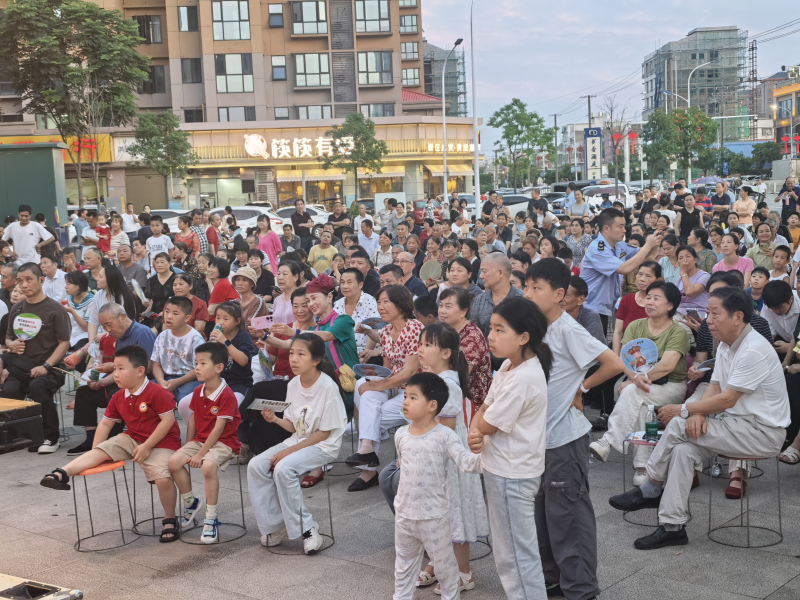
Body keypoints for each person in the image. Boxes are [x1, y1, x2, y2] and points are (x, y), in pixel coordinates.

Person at [610, 287, 789, 549]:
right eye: (707, 312)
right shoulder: (729, 344)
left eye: (714, 313)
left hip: (762, 432)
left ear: (738, 317)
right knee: (683, 449)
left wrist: (686, 411)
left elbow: (728, 399)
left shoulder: (753, 349)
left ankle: (650, 487)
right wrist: (700, 412)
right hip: (734, 424)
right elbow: (714, 387)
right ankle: (672, 526)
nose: (708, 320)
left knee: (679, 423)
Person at [524, 259, 623, 600]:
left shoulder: (568, 328)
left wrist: (580, 390)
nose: (529, 293)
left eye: (537, 288)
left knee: (568, 514)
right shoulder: (536, 328)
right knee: (543, 514)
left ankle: (581, 589)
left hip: (564, 438)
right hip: (539, 438)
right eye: (527, 286)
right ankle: (553, 580)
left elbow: (613, 363)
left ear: (560, 294)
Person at [42, 345, 183, 541]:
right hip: (133, 437)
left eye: (120, 369)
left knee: (162, 478)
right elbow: (106, 424)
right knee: (102, 449)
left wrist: (147, 447)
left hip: (162, 442)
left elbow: (167, 422)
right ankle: (60, 474)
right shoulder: (118, 396)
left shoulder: (156, 392)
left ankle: (170, 519)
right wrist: (97, 451)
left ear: (140, 371)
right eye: (114, 369)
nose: (115, 374)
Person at [467, 297, 552, 600]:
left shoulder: (524, 377)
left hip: (511, 474)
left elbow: (485, 423)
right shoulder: (508, 366)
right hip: (505, 469)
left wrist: (477, 431)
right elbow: (483, 411)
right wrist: (476, 430)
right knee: (513, 553)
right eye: (491, 328)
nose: (491, 335)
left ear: (523, 337)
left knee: (515, 557)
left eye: (500, 330)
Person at [248, 334, 347, 554]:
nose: (293, 359)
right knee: (256, 465)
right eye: (291, 353)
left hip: (323, 445)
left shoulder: (327, 387)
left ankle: (307, 528)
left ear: (316, 360)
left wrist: (289, 451)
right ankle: (276, 526)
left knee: (284, 468)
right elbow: (295, 427)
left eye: (301, 354)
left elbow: (324, 433)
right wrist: (275, 419)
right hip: (298, 441)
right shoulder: (293, 383)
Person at [386, 372, 482, 600]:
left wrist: (489, 455)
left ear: (432, 405)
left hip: (434, 518)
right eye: (405, 396)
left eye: (413, 397)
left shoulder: (444, 435)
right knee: (403, 568)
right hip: (404, 516)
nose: (405, 401)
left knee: (446, 570)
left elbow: (466, 462)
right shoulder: (401, 434)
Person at [589, 282, 690, 487]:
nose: (649, 302)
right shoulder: (636, 326)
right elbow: (625, 360)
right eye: (648, 297)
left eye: (656, 298)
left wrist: (636, 380)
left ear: (670, 305)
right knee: (639, 403)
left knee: (634, 393)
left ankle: (608, 441)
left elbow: (666, 366)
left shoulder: (678, 332)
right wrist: (634, 378)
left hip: (671, 386)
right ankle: (643, 467)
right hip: (639, 387)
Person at [346, 284, 421, 491]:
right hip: (397, 390)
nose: (380, 307)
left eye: (386, 301)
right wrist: (378, 386)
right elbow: (387, 369)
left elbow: (410, 371)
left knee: (371, 415)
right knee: (364, 386)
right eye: (379, 302)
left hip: (416, 392)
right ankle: (367, 451)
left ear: (401, 304)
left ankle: (367, 465)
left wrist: (379, 385)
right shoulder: (386, 331)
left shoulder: (414, 328)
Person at [169, 341, 242, 543]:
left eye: (202, 364)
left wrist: (200, 455)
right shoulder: (197, 391)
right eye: (196, 363)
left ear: (218, 368)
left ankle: (211, 519)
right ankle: (191, 502)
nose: (197, 368)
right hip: (201, 440)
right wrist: (189, 445)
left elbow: (219, 429)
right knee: (174, 462)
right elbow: (193, 419)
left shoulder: (226, 395)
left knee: (208, 466)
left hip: (224, 442)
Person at [67, 302, 156, 455]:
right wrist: (100, 383)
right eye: (104, 326)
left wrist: (114, 368)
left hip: (141, 385)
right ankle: (90, 438)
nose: (108, 330)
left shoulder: (142, 332)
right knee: (85, 392)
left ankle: (113, 438)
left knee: (116, 395)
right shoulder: (119, 337)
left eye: (109, 325)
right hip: (123, 382)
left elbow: (147, 367)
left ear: (122, 317)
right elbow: (119, 373)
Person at [0, 262, 70, 453]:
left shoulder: (55, 309)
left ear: (41, 280)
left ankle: (50, 437)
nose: (23, 285)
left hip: (51, 367)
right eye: (19, 281)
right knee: (10, 389)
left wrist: (46, 366)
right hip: (21, 366)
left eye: (28, 279)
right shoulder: (17, 309)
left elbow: (64, 343)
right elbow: (8, 338)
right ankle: (18, 435)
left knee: (38, 386)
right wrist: (12, 344)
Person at [580, 209, 663, 335]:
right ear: (606, 228)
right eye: (621, 226)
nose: (625, 230)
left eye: (625, 226)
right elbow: (625, 269)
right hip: (590, 309)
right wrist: (647, 246)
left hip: (602, 308)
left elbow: (643, 254)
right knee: (593, 352)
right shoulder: (597, 248)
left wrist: (653, 242)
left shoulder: (619, 245)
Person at [470, 253, 525, 370]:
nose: (480, 276)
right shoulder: (479, 300)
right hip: (485, 366)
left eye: (484, 271)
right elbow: (474, 335)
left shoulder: (523, 300)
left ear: (500, 273)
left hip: (516, 366)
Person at [152, 295, 204, 405]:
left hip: (189, 379)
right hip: (165, 377)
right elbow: (156, 364)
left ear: (187, 318)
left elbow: (199, 369)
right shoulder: (162, 336)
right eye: (167, 312)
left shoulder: (195, 338)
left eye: (175, 314)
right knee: (147, 392)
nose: (169, 317)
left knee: (184, 400)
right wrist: (161, 382)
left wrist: (177, 382)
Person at [613, 261, 662, 354]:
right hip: (628, 352)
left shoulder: (661, 303)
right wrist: (616, 358)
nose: (642, 279)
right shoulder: (626, 300)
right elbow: (618, 332)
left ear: (658, 280)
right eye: (640, 274)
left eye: (648, 276)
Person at [334, 268, 379, 358]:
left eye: (349, 282)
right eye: (342, 282)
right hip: (343, 352)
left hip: (367, 352)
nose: (345, 286)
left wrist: (365, 355)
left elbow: (374, 329)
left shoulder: (371, 302)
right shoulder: (337, 304)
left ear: (360, 285)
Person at [675, 246, 710, 319]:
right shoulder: (679, 278)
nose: (685, 261)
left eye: (688, 256)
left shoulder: (704, 276)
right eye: (681, 258)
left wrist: (684, 273)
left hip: (698, 314)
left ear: (695, 259)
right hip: (680, 313)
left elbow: (690, 292)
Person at [143, 253, 177, 329]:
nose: (159, 265)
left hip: (171, 315)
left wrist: (165, 312)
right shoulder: (151, 280)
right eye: (157, 262)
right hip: (154, 315)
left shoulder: (176, 279)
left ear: (169, 263)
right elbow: (147, 298)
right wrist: (145, 303)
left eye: (162, 262)